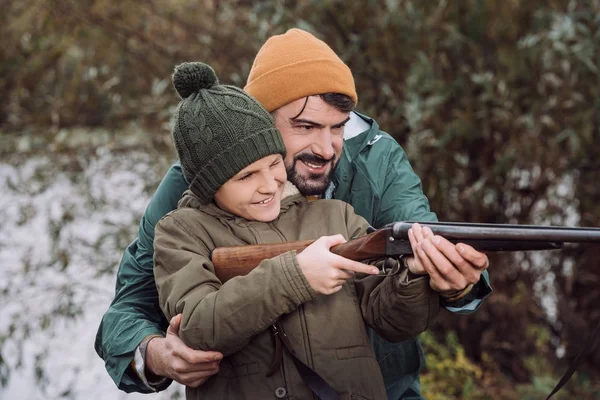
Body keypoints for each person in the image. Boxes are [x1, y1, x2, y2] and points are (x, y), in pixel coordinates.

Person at [95, 28, 492, 399]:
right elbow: (126, 310)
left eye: (338, 127)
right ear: (259, 119)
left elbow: (429, 240)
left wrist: (448, 279)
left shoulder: (377, 158)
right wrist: (156, 354)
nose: (326, 147)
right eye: (304, 126)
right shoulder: (195, 181)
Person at [153, 61, 440, 399]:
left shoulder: (338, 217)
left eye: (274, 163)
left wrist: (414, 277)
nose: (268, 185)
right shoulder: (180, 233)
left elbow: (394, 323)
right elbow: (199, 329)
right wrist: (296, 275)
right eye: (246, 176)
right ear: (208, 185)